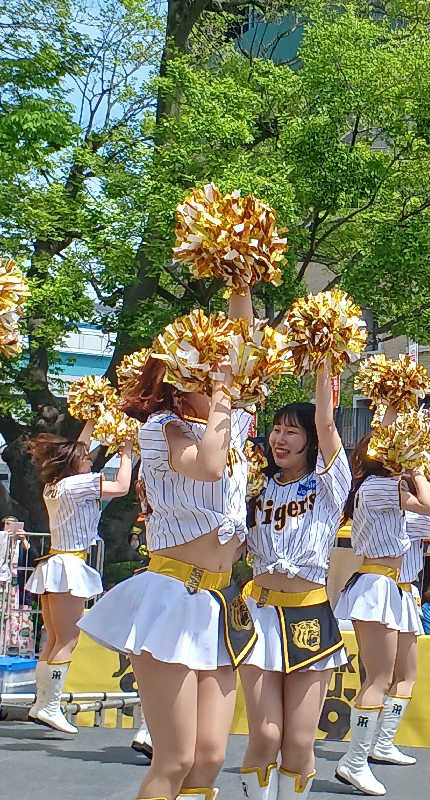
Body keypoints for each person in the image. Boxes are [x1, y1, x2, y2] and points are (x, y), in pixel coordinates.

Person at [77, 289, 255, 800]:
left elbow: (244, 343)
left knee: (211, 758)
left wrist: (240, 282)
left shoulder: (229, 422)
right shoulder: (163, 430)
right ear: (184, 380)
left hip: (221, 602)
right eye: (211, 365)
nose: (228, 373)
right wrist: (222, 391)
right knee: (174, 759)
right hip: (170, 597)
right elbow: (209, 465)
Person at [238, 365, 350, 800]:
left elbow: (326, 420)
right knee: (265, 735)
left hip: (309, 613)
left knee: (300, 742)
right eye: (276, 430)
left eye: (291, 431)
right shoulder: (254, 486)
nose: (280, 439)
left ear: (311, 442)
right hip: (259, 614)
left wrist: (322, 359)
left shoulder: (329, 486)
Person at [333, 428, 430, 796]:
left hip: (388, 585)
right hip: (376, 583)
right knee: (377, 678)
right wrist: (418, 469)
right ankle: (354, 761)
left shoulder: (384, 489)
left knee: (399, 673)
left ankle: (375, 747)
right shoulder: (378, 487)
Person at [25, 421, 133, 734]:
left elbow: (80, 450)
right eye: (85, 460)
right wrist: (126, 454)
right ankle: (48, 705)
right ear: (74, 464)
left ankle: (43, 702)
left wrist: (92, 420)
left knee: (55, 639)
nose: (89, 461)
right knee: (68, 640)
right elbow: (121, 487)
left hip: (56, 563)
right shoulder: (79, 484)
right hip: (69, 566)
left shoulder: (55, 485)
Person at [374, 493, 430, 768]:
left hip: (379, 589)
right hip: (398, 591)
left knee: (381, 678)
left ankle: (374, 742)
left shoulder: (373, 504)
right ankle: (379, 743)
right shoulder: (409, 517)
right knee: (401, 676)